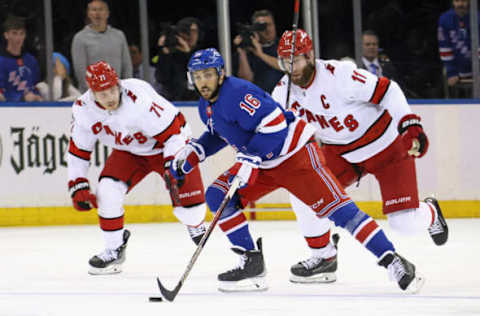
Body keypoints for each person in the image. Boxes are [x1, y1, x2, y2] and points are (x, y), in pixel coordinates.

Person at [168, 47, 425, 293]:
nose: (203, 81)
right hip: (263, 161)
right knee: (218, 195)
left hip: (295, 156)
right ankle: (251, 262)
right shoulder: (206, 105)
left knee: (339, 211)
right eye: (198, 76)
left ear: (221, 73)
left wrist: (250, 159)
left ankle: (393, 260)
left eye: (208, 74)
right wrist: (193, 154)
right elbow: (219, 133)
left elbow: (275, 124)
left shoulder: (238, 93)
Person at [270, 29, 448, 282]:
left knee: (404, 225)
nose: (291, 68)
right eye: (284, 62)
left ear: (310, 56)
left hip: (385, 148)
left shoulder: (338, 75)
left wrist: (409, 124)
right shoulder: (283, 92)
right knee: (303, 192)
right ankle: (324, 256)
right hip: (341, 152)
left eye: (296, 60)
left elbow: (388, 90)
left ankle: (429, 211)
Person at [67, 60, 207, 275]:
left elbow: (174, 133)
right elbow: (79, 151)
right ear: (91, 93)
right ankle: (114, 249)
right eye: (103, 94)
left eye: (112, 90)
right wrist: (77, 184)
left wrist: (173, 164)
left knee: (191, 213)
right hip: (129, 151)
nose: (111, 97)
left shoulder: (139, 99)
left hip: (168, 145)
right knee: (107, 192)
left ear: (118, 84)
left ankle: (195, 223)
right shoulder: (83, 110)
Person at [71, 0, 132, 92]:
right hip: (93, 94)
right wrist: (95, 93)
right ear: (88, 14)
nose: (97, 13)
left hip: (118, 92)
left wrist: (127, 89)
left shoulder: (119, 35)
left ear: (107, 13)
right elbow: (80, 70)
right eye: (94, 10)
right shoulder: (80, 38)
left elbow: (127, 65)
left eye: (101, 9)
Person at [233, 9, 283, 93]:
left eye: (269, 25)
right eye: (262, 27)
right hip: (259, 98)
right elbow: (246, 81)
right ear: (255, 29)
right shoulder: (249, 50)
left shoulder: (283, 45)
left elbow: (287, 66)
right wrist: (242, 52)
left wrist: (261, 54)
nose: (267, 29)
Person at [152, 17, 202, 100]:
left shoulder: (202, 54)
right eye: (187, 31)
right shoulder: (169, 55)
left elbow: (198, 80)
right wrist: (164, 53)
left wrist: (187, 53)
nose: (191, 35)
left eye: (194, 31)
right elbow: (161, 78)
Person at [438, 0, 479, 97]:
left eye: (464, 1)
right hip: (456, 71)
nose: (460, 4)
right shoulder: (445, 19)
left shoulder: (477, 18)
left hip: (476, 70)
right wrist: (451, 72)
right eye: (457, 1)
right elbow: (445, 47)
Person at [0, 15, 43, 102]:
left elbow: (36, 85)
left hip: (33, 108)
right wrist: (21, 98)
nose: (18, 38)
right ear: (6, 35)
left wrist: (37, 96)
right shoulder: (1, 62)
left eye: (21, 33)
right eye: (14, 33)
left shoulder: (31, 60)